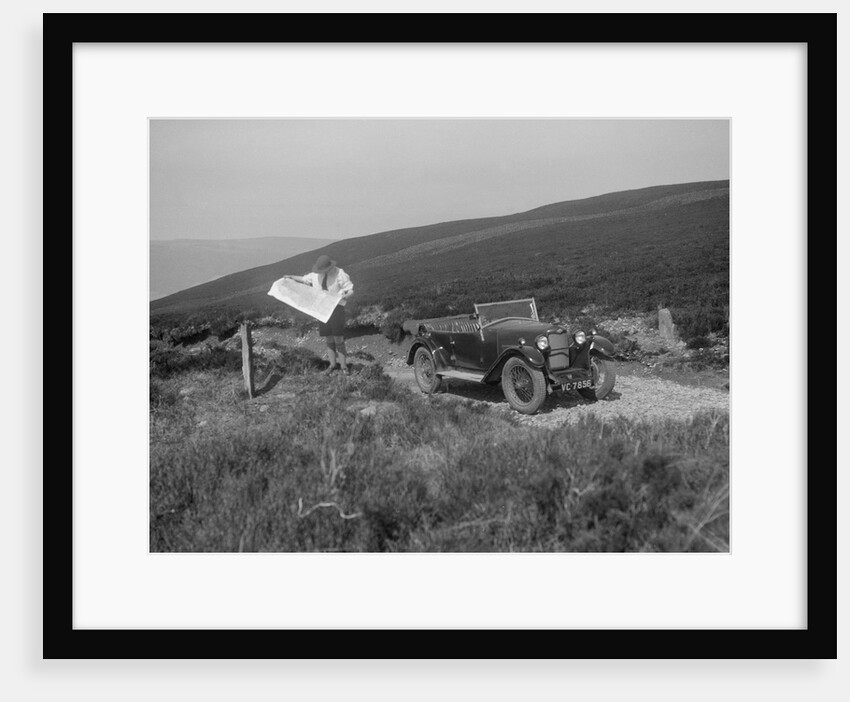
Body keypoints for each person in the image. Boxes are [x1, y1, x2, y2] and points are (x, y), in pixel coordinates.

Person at [283, 255, 354, 375]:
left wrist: (343, 296)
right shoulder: (315, 275)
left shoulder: (340, 274)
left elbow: (350, 290)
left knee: (338, 338)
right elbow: (305, 279)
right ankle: (332, 365)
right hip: (322, 310)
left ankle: (344, 367)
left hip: (336, 310)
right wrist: (291, 277)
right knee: (329, 338)